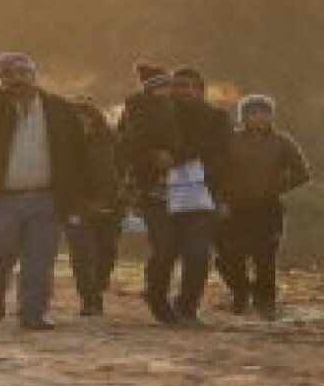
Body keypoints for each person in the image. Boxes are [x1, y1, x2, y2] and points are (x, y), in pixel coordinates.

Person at [0, 53, 90, 331]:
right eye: (8, 74)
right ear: (0, 79)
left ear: (33, 76)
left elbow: (79, 152)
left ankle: (33, 313)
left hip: (47, 198)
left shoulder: (60, 108)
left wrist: (80, 193)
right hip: (1, 198)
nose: (16, 79)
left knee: (39, 260)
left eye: (22, 72)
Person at [124, 65, 231, 326]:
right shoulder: (144, 112)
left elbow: (219, 149)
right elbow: (127, 146)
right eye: (180, 85)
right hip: (157, 195)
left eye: (192, 86)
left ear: (201, 90)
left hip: (201, 196)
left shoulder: (216, 118)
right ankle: (157, 299)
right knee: (164, 250)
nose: (186, 91)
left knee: (198, 254)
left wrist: (177, 157)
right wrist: (150, 158)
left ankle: (187, 307)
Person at [216, 95, 310, 320]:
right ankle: (241, 292)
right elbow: (216, 172)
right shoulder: (230, 140)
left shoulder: (282, 141)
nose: (259, 117)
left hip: (267, 208)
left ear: (271, 116)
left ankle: (266, 304)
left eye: (264, 112)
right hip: (233, 207)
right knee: (227, 258)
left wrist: (279, 186)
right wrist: (221, 199)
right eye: (253, 112)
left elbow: (302, 173)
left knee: (265, 258)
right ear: (243, 116)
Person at [66, 98, 123, 317]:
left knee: (107, 254)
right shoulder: (62, 146)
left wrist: (122, 196)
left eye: (85, 118)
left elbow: (122, 169)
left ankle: (98, 284)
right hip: (77, 208)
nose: (82, 123)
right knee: (82, 255)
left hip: (110, 206)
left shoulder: (112, 141)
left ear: (94, 119)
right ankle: (89, 299)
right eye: (76, 119)